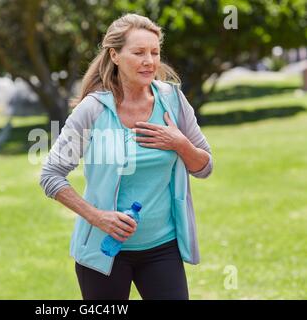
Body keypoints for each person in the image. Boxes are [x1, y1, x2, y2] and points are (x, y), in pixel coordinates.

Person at [39, 13, 213, 300]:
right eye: (139, 52)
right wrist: (98, 218)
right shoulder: (92, 110)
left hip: (162, 248)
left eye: (155, 53)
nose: (149, 61)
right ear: (115, 55)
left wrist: (180, 143)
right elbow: (50, 175)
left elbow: (204, 167)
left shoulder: (173, 100)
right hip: (103, 251)